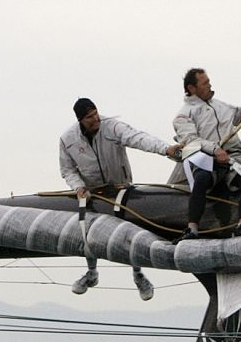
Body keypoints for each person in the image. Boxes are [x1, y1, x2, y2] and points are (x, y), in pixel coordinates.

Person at [57, 98, 181, 299]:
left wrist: (166, 149)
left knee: (129, 232)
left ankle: (138, 275)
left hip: (121, 187)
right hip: (93, 192)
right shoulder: (67, 139)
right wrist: (78, 187)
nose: (96, 118)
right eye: (90, 117)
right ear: (81, 120)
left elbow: (138, 138)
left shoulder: (112, 127)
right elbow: (67, 169)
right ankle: (91, 272)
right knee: (88, 232)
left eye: (96, 113)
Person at [173, 67, 241, 238]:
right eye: (205, 83)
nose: (209, 85)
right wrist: (215, 149)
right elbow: (191, 140)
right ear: (192, 88)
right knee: (201, 179)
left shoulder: (220, 105)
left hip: (233, 154)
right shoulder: (183, 115)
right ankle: (192, 228)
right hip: (207, 157)